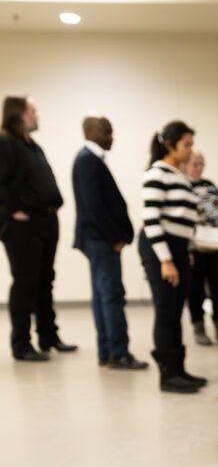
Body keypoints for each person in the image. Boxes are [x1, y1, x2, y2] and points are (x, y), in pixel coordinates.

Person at [0, 95, 77, 360]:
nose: (37, 115)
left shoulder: (31, 145)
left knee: (45, 280)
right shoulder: (5, 141)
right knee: (25, 283)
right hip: (24, 226)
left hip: (45, 220)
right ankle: (21, 344)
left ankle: (48, 335)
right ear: (18, 114)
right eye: (33, 110)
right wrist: (10, 214)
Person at [72, 116, 148, 370]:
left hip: (97, 240)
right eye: (107, 131)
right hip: (102, 241)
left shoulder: (89, 160)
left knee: (102, 295)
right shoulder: (88, 162)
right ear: (91, 132)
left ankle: (108, 350)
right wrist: (115, 237)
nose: (112, 136)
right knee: (112, 295)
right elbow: (94, 207)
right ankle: (118, 352)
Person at [138, 121, 205, 394]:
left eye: (192, 144)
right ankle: (167, 375)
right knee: (166, 311)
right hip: (160, 248)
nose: (191, 150)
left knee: (177, 311)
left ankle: (179, 369)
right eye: (186, 144)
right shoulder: (157, 174)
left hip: (178, 248)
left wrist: (185, 251)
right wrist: (166, 260)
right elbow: (151, 220)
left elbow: (184, 220)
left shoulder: (179, 176)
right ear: (170, 145)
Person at [184, 150, 218, 346]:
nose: (198, 168)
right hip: (195, 248)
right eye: (194, 164)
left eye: (201, 164)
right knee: (195, 290)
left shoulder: (210, 186)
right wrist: (205, 212)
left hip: (215, 246)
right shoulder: (183, 186)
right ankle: (199, 329)